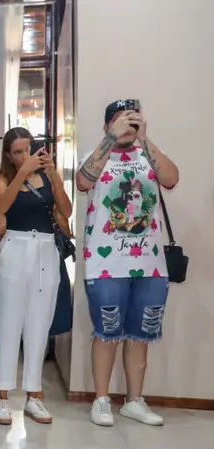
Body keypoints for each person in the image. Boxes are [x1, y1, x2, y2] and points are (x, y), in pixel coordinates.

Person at [76, 100, 179, 427]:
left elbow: (172, 178)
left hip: (150, 264)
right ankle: (101, 400)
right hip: (106, 263)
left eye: (132, 120)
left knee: (141, 334)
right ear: (107, 125)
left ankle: (134, 401)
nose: (127, 126)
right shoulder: (97, 154)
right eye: (120, 120)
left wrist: (145, 139)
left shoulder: (148, 154)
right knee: (107, 332)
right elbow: (82, 182)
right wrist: (110, 139)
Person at [0, 128, 72, 425]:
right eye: (18, 152)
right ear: (9, 155)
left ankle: (34, 396)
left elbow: (66, 210)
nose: (26, 155)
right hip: (15, 247)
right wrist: (22, 174)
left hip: (46, 249)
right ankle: (2, 397)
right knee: (8, 323)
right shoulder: (2, 180)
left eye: (29, 149)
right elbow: (2, 207)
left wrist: (54, 176)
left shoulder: (48, 177)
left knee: (39, 324)